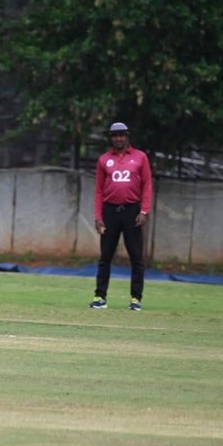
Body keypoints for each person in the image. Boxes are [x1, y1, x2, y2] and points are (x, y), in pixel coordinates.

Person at [89, 122, 153, 311]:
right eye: (115, 135)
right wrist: (98, 216)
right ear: (111, 138)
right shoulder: (104, 160)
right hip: (110, 212)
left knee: (136, 257)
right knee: (105, 256)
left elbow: (147, 186)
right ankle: (100, 297)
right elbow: (99, 191)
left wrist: (144, 211)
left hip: (132, 211)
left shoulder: (140, 157)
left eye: (122, 135)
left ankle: (136, 298)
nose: (118, 138)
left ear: (127, 136)